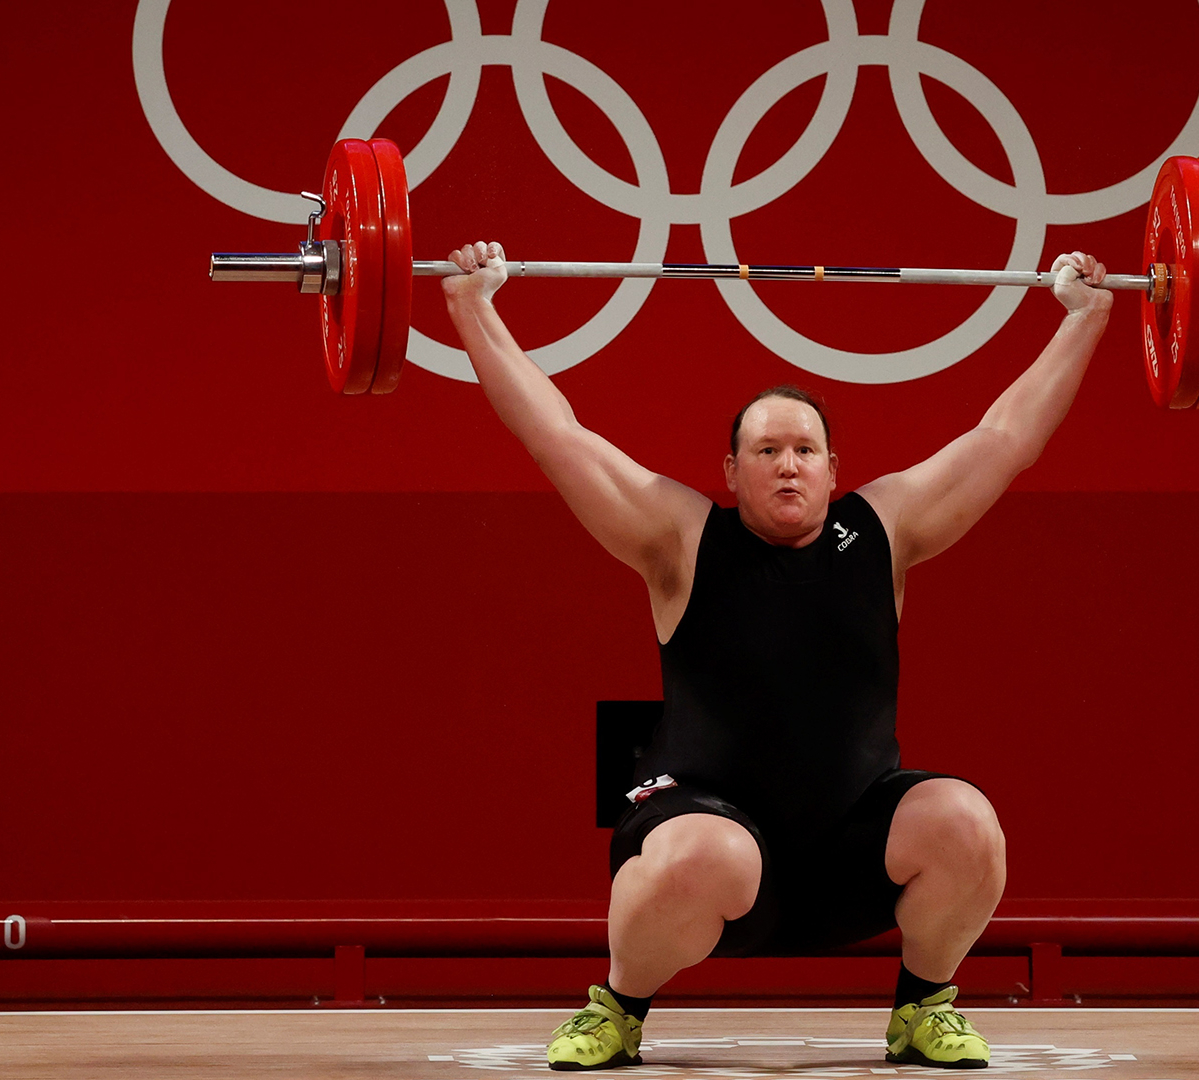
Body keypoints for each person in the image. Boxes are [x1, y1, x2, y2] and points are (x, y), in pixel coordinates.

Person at [441, 240, 1113, 1070]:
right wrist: (474, 309)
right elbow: (557, 435)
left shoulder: (883, 530)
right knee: (702, 855)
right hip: (711, 843)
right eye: (766, 452)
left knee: (966, 826)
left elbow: (1006, 437)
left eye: (803, 450)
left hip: (846, 852)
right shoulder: (679, 538)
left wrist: (1086, 319)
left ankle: (923, 1008)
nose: (787, 465)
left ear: (835, 469)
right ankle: (617, 1009)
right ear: (730, 470)